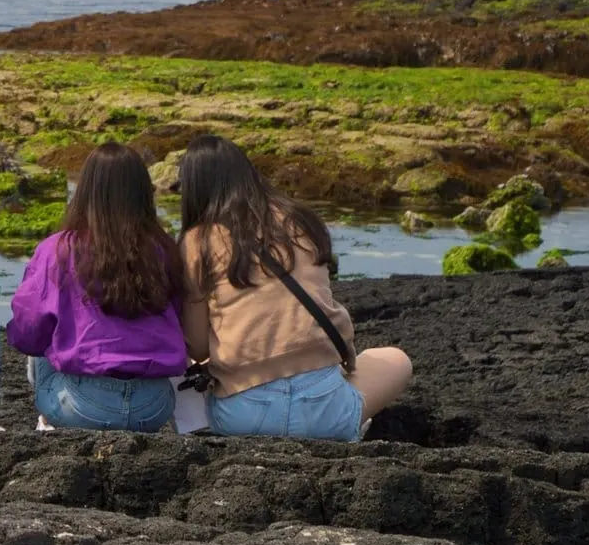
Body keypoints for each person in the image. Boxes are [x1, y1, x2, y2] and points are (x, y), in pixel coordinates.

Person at [176, 134, 413, 440]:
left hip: (242, 417)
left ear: (194, 188)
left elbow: (196, 346)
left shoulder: (196, 241)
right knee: (396, 358)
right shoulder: (300, 219)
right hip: (325, 411)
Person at [5, 143, 189, 431]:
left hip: (83, 405)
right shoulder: (163, 249)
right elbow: (181, 320)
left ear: (85, 190)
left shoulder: (58, 249)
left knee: (43, 332)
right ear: (142, 193)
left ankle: (50, 421)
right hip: (154, 406)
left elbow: (27, 334)